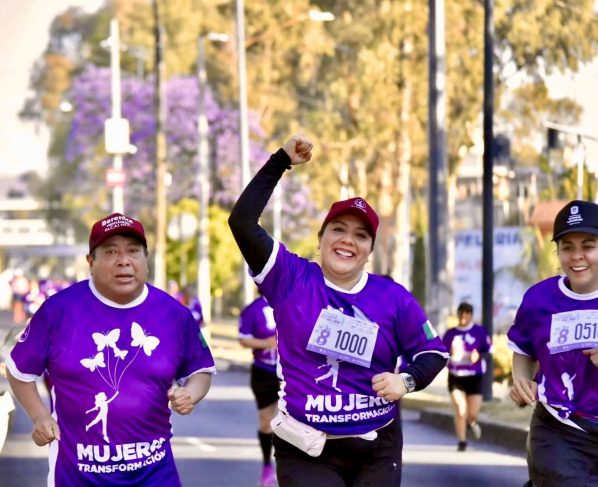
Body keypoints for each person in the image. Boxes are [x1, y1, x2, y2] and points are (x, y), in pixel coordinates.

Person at [228, 135, 448, 486]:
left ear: (369, 250)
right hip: (305, 445)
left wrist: (405, 380)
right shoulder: (290, 278)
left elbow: (433, 352)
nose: (348, 240)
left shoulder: (392, 297)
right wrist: (281, 161)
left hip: (376, 445)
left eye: (361, 235)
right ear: (321, 238)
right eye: (339, 229)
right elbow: (241, 222)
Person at [7, 212, 216, 486]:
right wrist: (39, 416)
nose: (124, 260)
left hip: (155, 474)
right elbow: (18, 370)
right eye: (110, 252)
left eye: (133, 251)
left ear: (145, 260)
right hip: (77, 475)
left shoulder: (174, 314)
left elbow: (201, 369)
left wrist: (190, 393)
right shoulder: (58, 311)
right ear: (91, 262)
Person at [508, 199, 598, 486]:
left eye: (588, 245)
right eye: (567, 247)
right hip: (560, 428)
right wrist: (521, 379)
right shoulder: (539, 299)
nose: (577, 256)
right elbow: (524, 350)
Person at [238, 292, 279, 487]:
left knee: (295, 421)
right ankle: (266, 466)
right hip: (264, 371)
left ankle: (292, 464)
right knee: (266, 422)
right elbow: (243, 338)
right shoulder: (252, 310)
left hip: (290, 373)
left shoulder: (293, 302)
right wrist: (266, 343)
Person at [442, 302, 492, 451]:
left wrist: (478, 356)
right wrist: (450, 353)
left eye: (467, 313)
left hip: (474, 376)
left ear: (471, 315)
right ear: (457, 314)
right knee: (460, 408)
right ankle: (462, 441)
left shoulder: (480, 331)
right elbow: (440, 354)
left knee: (472, 413)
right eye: (461, 313)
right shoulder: (451, 334)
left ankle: (472, 422)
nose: (463, 316)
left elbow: (488, 353)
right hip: (456, 376)